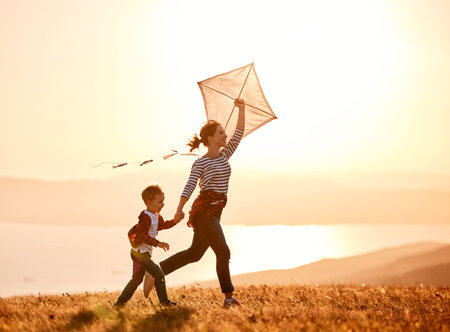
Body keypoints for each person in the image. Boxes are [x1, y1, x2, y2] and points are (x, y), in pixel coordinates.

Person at [159, 98, 245, 307]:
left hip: (216, 211)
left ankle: (157, 271)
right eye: (221, 133)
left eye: (224, 132)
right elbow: (189, 186)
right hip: (204, 211)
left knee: (195, 254)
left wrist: (241, 109)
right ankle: (229, 298)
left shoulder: (225, 155)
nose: (225, 135)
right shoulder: (200, 162)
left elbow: (239, 132)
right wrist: (179, 209)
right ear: (210, 138)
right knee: (223, 252)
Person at [115, 184, 180, 307]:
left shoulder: (155, 215)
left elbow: (162, 225)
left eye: (163, 202)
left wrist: (174, 222)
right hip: (139, 253)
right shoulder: (145, 217)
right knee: (158, 273)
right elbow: (142, 235)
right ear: (149, 202)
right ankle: (164, 302)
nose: (163, 205)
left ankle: (119, 304)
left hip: (140, 253)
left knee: (136, 280)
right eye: (160, 202)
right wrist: (158, 243)